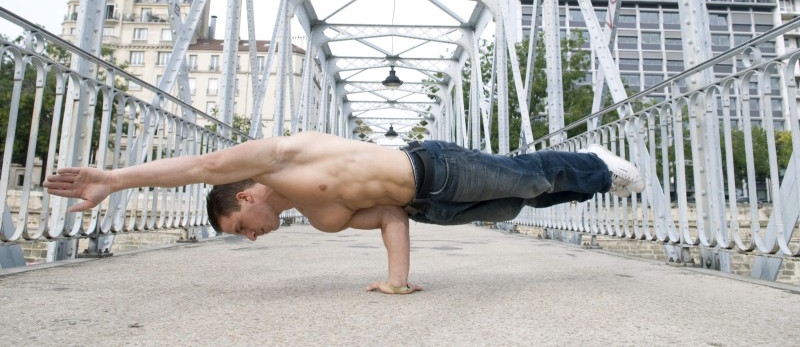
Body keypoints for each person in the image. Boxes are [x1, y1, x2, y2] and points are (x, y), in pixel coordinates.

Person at [43, 131, 643, 295]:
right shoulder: (325, 219)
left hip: (436, 167)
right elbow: (391, 219)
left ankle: (594, 162)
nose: (250, 238)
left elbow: (202, 166)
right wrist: (396, 280)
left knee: (529, 174)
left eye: (240, 230)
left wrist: (115, 179)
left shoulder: (281, 159)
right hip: (428, 206)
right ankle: (595, 181)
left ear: (245, 197)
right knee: (523, 202)